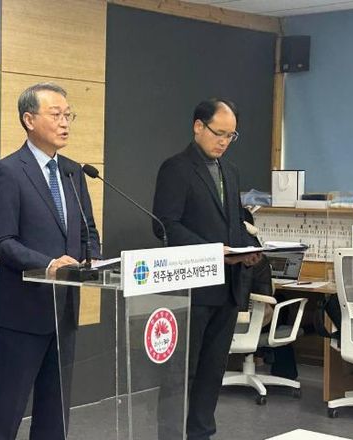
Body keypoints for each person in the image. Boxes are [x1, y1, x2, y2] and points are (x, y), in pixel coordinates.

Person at [0, 82, 101, 439]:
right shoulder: (8, 172)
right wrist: (49, 264)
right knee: (8, 408)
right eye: (56, 114)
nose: (65, 122)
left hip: (64, 309)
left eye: (68, 115)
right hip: (22, 309)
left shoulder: (73, 171)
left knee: (55, 410)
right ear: (29, 119)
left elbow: (88, 231)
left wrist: (93, 260)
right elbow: (2, 242)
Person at [152, 98, 260, 440]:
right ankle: (171, 435)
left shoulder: (230, 171)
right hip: (193, 288)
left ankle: (201, 434)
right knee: (182, 373)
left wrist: (249, 248)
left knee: (213, 372)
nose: (224, 141)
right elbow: (165, 225)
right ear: (198, 126)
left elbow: (234, 222)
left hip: (228, 287)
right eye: (219, 133)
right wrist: (210, 252)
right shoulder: (176, 168)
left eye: (231, 136)